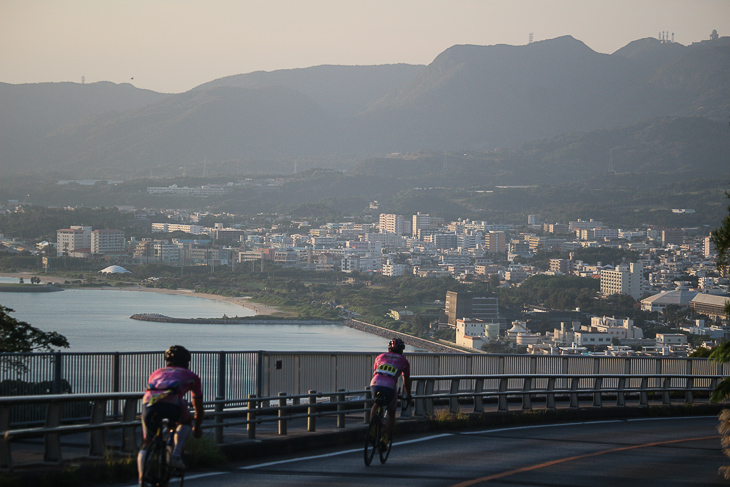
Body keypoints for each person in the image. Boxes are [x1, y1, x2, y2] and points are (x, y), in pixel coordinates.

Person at [137, 345, 204, 485]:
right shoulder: (191, 377)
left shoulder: (155, 373)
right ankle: (176, 455)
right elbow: (198, 406)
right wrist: (196, 428)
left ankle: (142, 478)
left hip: (149, 402)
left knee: (147, 442)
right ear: (187, 362)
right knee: (184, 422)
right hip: (173, 402)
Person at [369, 337, 412, 448]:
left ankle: (372, 429)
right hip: (389, 386)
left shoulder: (380, 357)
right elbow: (406, 381)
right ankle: (384, 439)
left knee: (376, 402)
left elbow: (375, 371)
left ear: (389, 348)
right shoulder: (404, 361)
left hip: (375, 383)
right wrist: (408, 394)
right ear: (402, 350)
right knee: (391, 413)